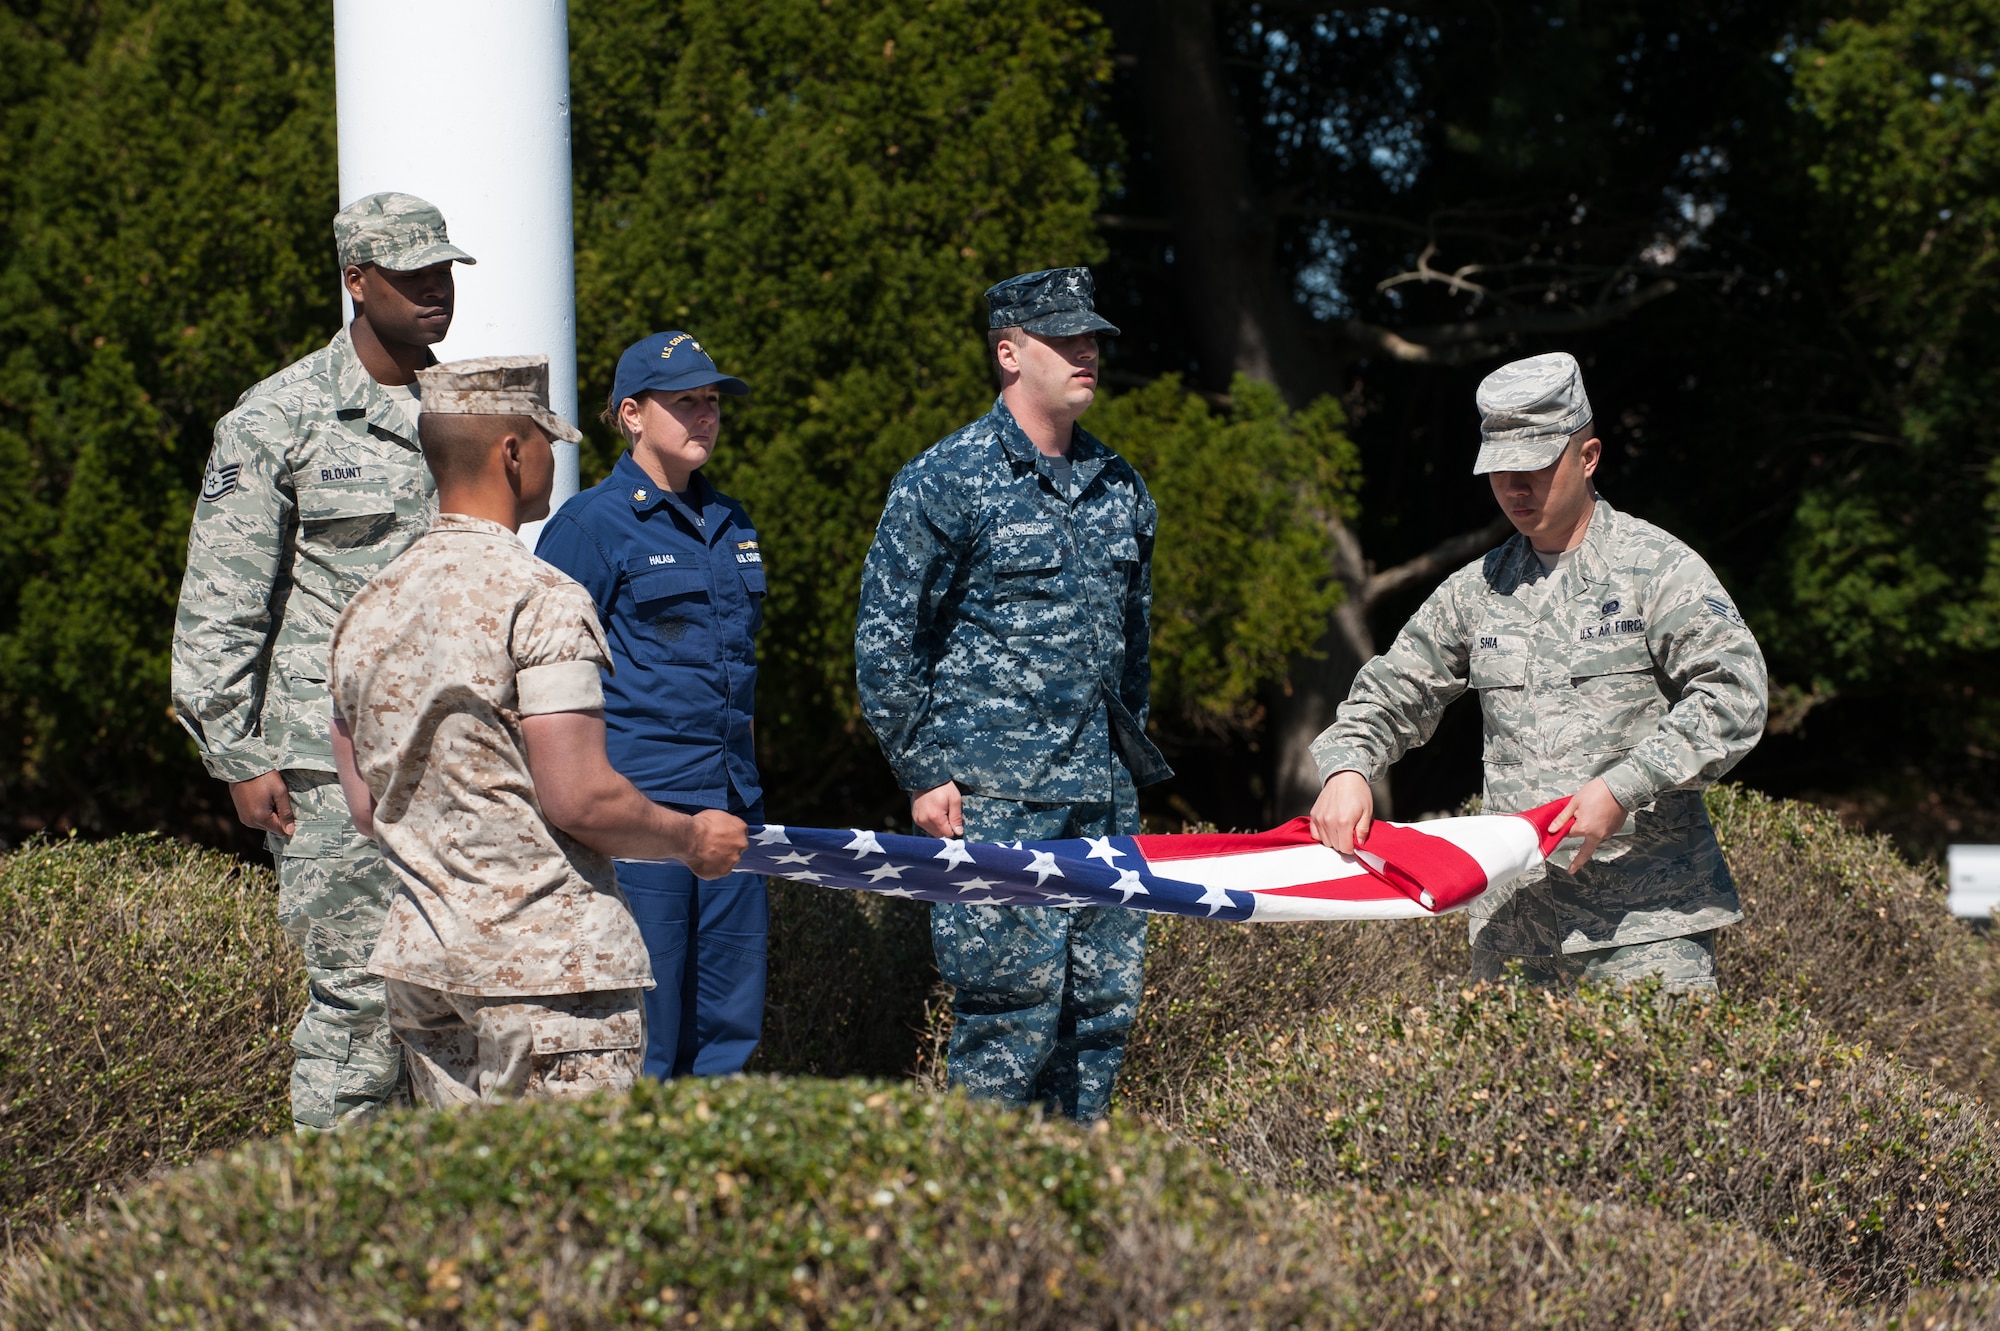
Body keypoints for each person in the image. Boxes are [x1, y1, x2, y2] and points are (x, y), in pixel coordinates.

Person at [326, 355, 748, 1107]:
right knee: (573, 1213)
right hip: (550, 977)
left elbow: (365, 806)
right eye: (548, 439)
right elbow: (580, 796)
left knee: (475, 1210)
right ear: (513, 452)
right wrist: (691, 840)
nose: (558, 458)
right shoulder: (542, 598)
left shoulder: (367, 606)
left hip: (428, 969)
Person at [1307, 352, 1768, 993]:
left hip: (1644, 925)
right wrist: (1349, 767)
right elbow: (1396, 687)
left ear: (1589, 456)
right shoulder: (1479, 590)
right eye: (1500, 471)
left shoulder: (1657, 569)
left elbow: (1734, 693)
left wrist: (1626, 785)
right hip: (1516, 928)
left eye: (1537, 466)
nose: (1516, 488)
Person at [170, 192, 475, 1130]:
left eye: (443, 273)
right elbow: (221, 602)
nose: (435, 292)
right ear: (357, 280)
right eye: (411, 275)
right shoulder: (280, 417)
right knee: (356, 1010)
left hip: (461, 755)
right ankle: (336, 1239)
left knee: (462, 1005)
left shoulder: (466, 404)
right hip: (329, 760)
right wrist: (240, 755)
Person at [853, 267, 1172, 1120]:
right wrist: (923, 771)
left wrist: (1125, 771)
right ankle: (983, 1233)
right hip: (994, 803)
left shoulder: (1121, 487)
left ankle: (1074, 1221)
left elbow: (1132, 650)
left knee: (1101, 1018)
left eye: (1091, 338)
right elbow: (886, 643)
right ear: (1007, 353)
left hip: (1099, 804)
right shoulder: (945, 479)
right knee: (1007, 1023)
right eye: (1063, 339)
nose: (1087, 353)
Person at [533, 332, 771, 1079]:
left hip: (733, 807)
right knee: (642, 1035)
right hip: (644, 820)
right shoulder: (588, 527)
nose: (705, 416)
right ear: (632, 414)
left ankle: (716, 1187)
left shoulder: (732, 523)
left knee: (729, 1030)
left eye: (711, 402)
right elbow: (537, 672)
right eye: (684, 402)